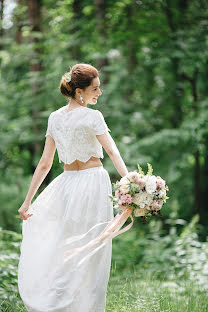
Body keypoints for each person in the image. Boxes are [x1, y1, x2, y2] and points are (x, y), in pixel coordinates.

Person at [17, 63, 128, 312]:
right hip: (92, 182)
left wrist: (27, 201)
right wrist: (131, 182)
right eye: (95, 89)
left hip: (66, 185)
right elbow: (112, 151)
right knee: (93, 247)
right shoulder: (93, 116)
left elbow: (45, 164)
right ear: (80, 91)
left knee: (67, 244)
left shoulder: (54, 117)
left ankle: (63, 303)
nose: (99, 93)